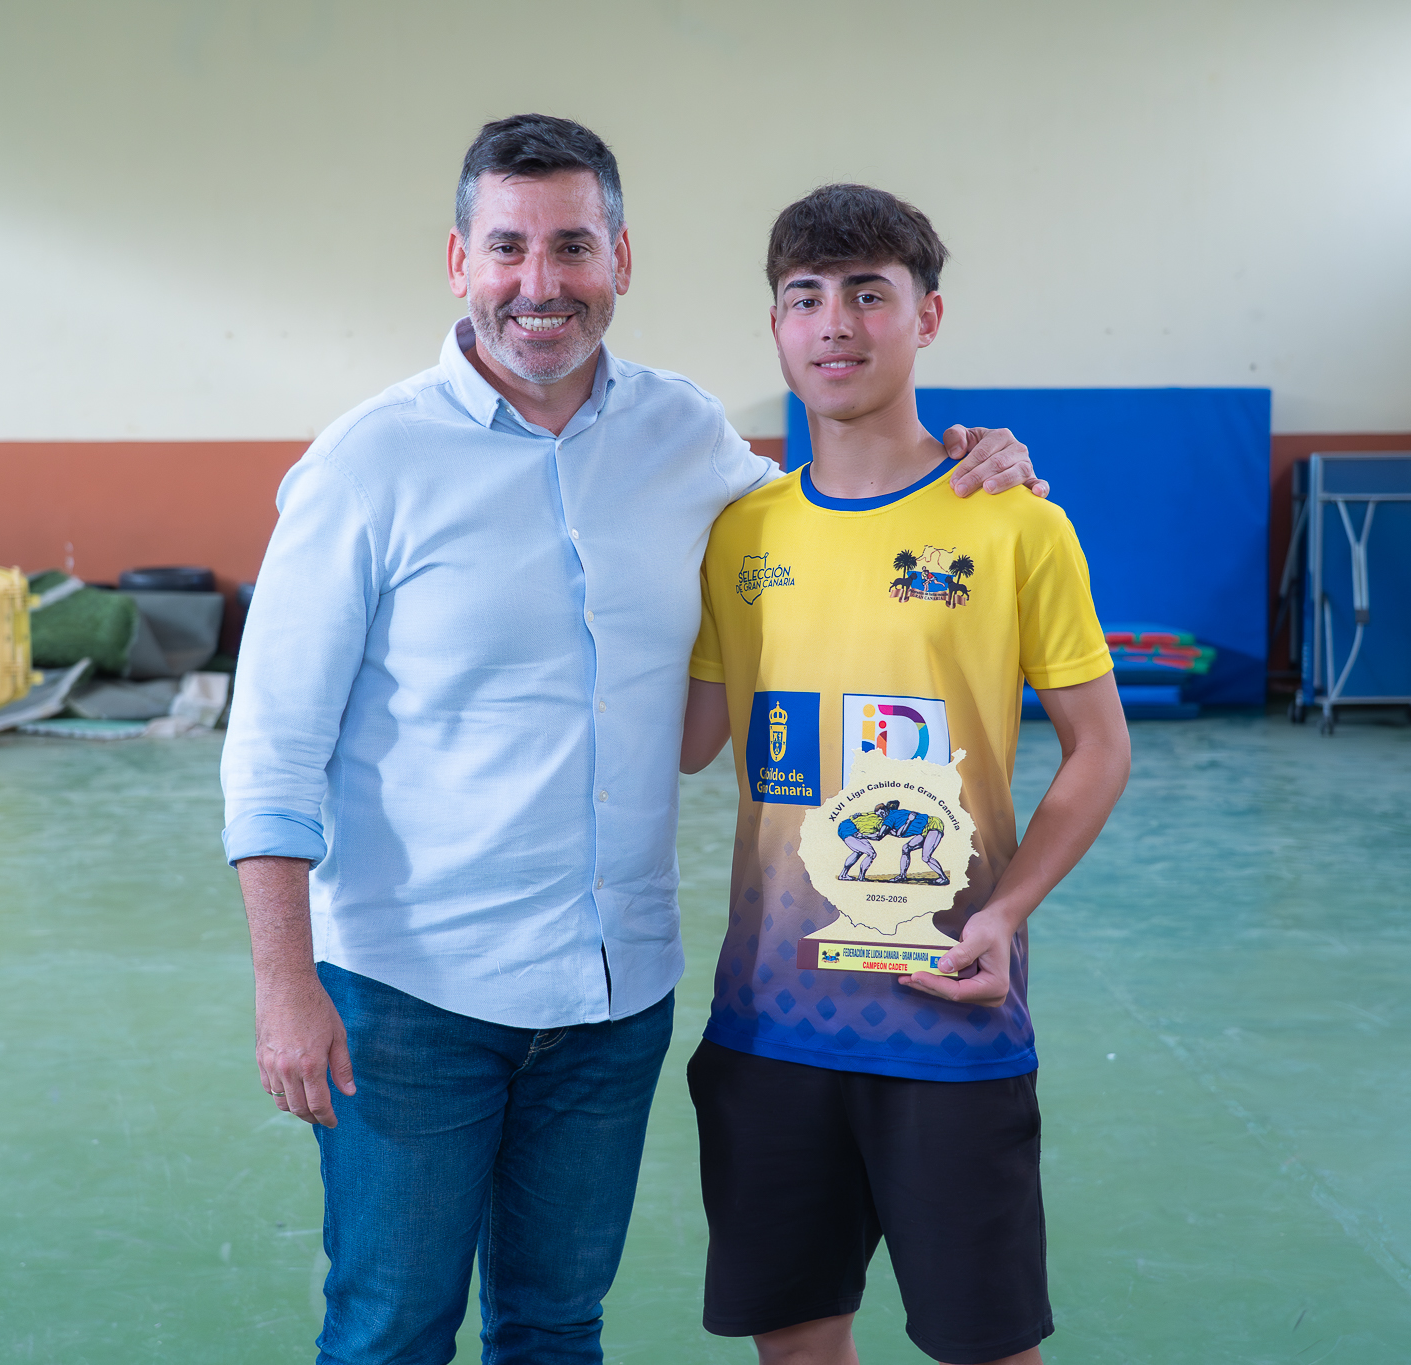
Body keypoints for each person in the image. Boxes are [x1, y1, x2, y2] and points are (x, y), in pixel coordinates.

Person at [220, 118, 1049, 1364]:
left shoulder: (685, 436)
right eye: (507, 248)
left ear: (619, 259)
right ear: (458, 261)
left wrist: (972, 457)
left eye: (571, 246)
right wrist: (286, 988)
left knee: (558, 1326)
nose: (538, 282)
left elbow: (843, 505)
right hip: (411, 996)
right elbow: (273, 750)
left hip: (611, 999)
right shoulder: (366, 464)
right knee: (391, 1327)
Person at [679, 183, 1133, 1365]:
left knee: (987, 1348)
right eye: (805, 297)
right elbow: (682, 739)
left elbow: (1099, 746)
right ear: (775, 326)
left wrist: (1006, 913)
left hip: (947, 1013)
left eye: (867, 294)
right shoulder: (739, 533)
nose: (834, 323)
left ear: (925, 317)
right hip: (770, 1021)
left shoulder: (1016, 522)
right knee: (795, 1344)